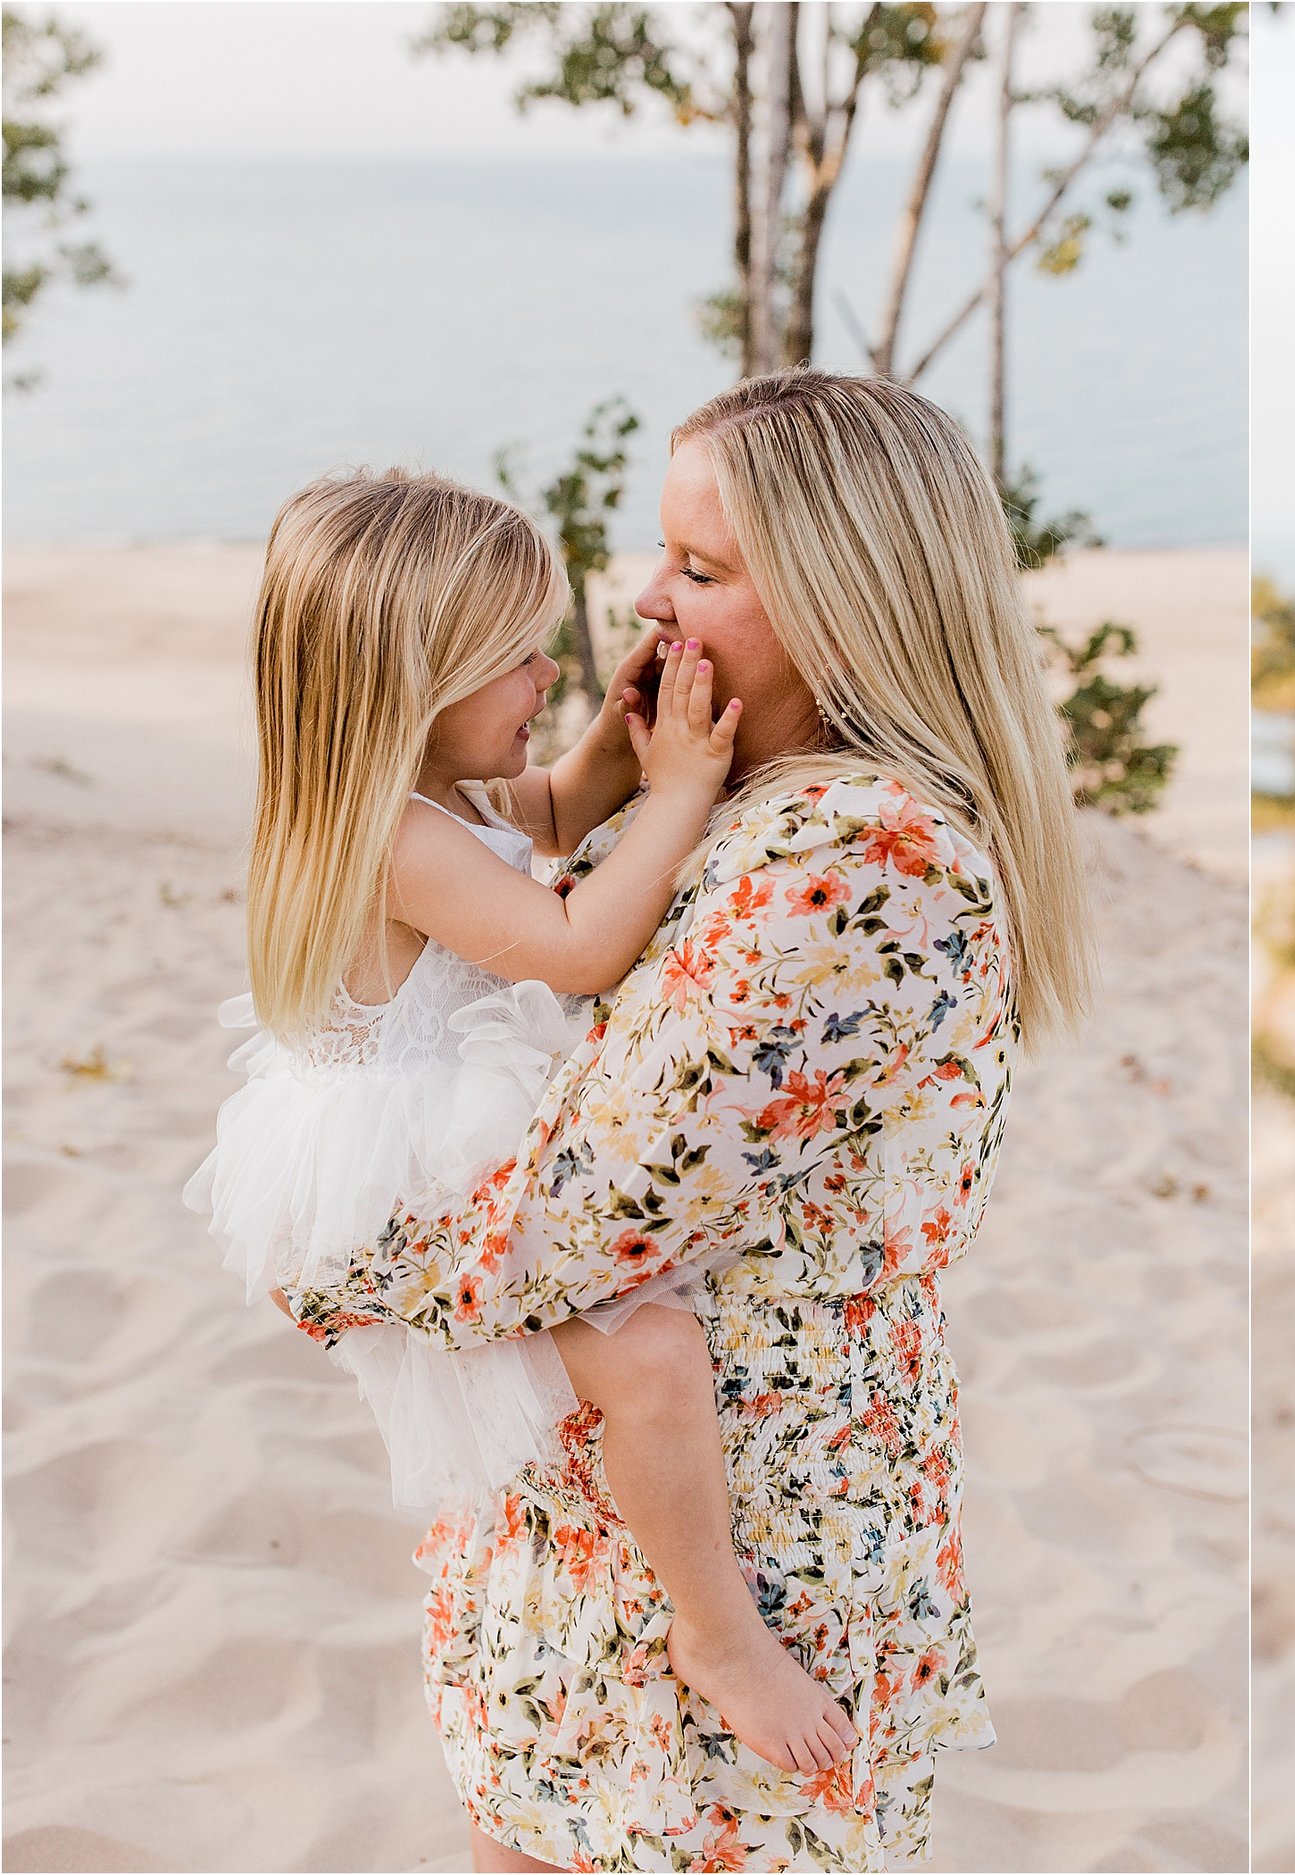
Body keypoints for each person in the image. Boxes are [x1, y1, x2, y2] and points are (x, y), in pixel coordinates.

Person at [283, 374, 1091, 1873]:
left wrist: (329, 1264)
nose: (647, 601)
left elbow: (578, 1216)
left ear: (848, 604)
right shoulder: (748, 799)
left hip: (738, 1564)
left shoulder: (855, 856)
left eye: (702, 571)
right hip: (611, 1534)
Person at [187, 468, 859, 1777]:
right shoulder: (387, 833)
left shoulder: (435, 791)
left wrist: (612, 751)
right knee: (651, 1358)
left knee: (641, 1355)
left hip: (438, 1130)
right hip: (397, 1179)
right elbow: (574, 946)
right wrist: (676, 792)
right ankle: (717, 1629)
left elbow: (546, 816)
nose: (549, 671)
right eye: (514, 658)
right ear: (414, 678)